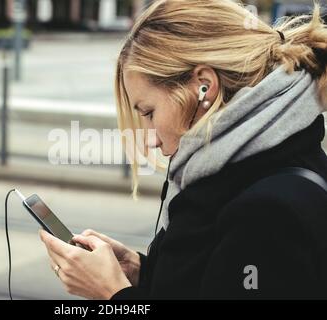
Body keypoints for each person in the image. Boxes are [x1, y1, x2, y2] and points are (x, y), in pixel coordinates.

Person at [40, 0, 327, 299]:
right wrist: (142, 272)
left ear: (203, 87)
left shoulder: (268, 214)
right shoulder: (238, 171)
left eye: (149, 112)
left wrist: (113, 294)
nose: (149, 138)